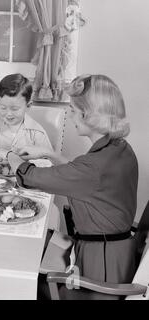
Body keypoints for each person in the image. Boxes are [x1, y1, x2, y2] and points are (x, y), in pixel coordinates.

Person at [8, 74, 138, 296]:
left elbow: (31, 177)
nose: (69, 113)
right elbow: (85, 177)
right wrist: (50, 153)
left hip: (99, 271)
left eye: (73, 110)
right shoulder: (119, 148)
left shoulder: (93, 166)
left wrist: (12, 157)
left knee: (22, 278)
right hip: (117, 254)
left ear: (88, 116)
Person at [0, 73, 53, 161]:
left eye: (14, 109)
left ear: (28, 106)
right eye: (3, 107)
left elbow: (48, 161)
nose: (8, 114)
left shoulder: (37, 133)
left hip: (28, 174)